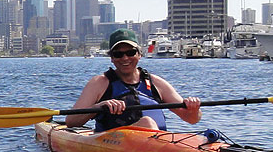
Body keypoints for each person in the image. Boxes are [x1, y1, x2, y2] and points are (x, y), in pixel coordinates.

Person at [65, 28, 202, 131]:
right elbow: (71, 122)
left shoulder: (156, 83)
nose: (125, 58)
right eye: (118, 54)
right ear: (112, 58)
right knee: (147, 123)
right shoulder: (99, 83)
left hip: (159, 142)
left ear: (139, 54)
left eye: (130, 53)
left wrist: (193, 108)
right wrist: (98, 107)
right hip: (113, 143)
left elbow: (192, 119)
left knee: (148, 123)